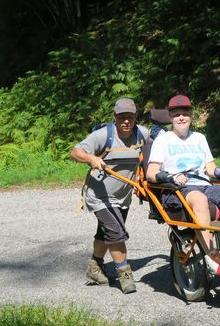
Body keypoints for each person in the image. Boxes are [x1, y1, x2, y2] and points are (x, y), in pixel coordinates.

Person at [146, 94, 220, 276]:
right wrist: (171, 177)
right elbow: (150, 173)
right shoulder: (163, 140)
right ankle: (212, 257)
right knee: (200, 200)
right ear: (170, 117)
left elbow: (210, 168)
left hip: (205, 185)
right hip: (178, 189)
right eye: (176, 114)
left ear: (191, 115)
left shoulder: (199, 137)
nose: (181, 117)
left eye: (185, 113)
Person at [71, 98, 150, 294]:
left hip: (123, 196)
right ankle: (124, 274)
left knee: (105, 232)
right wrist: (91, 158)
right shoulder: (102, 135)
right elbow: (75, 152)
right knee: (116, 233)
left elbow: (155, 149)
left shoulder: (143, 134)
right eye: (122, 117)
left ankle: (94, 267)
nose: (126, 121)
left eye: (130, 117)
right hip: (99, 196)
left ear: (135, 118)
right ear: (114, 117)